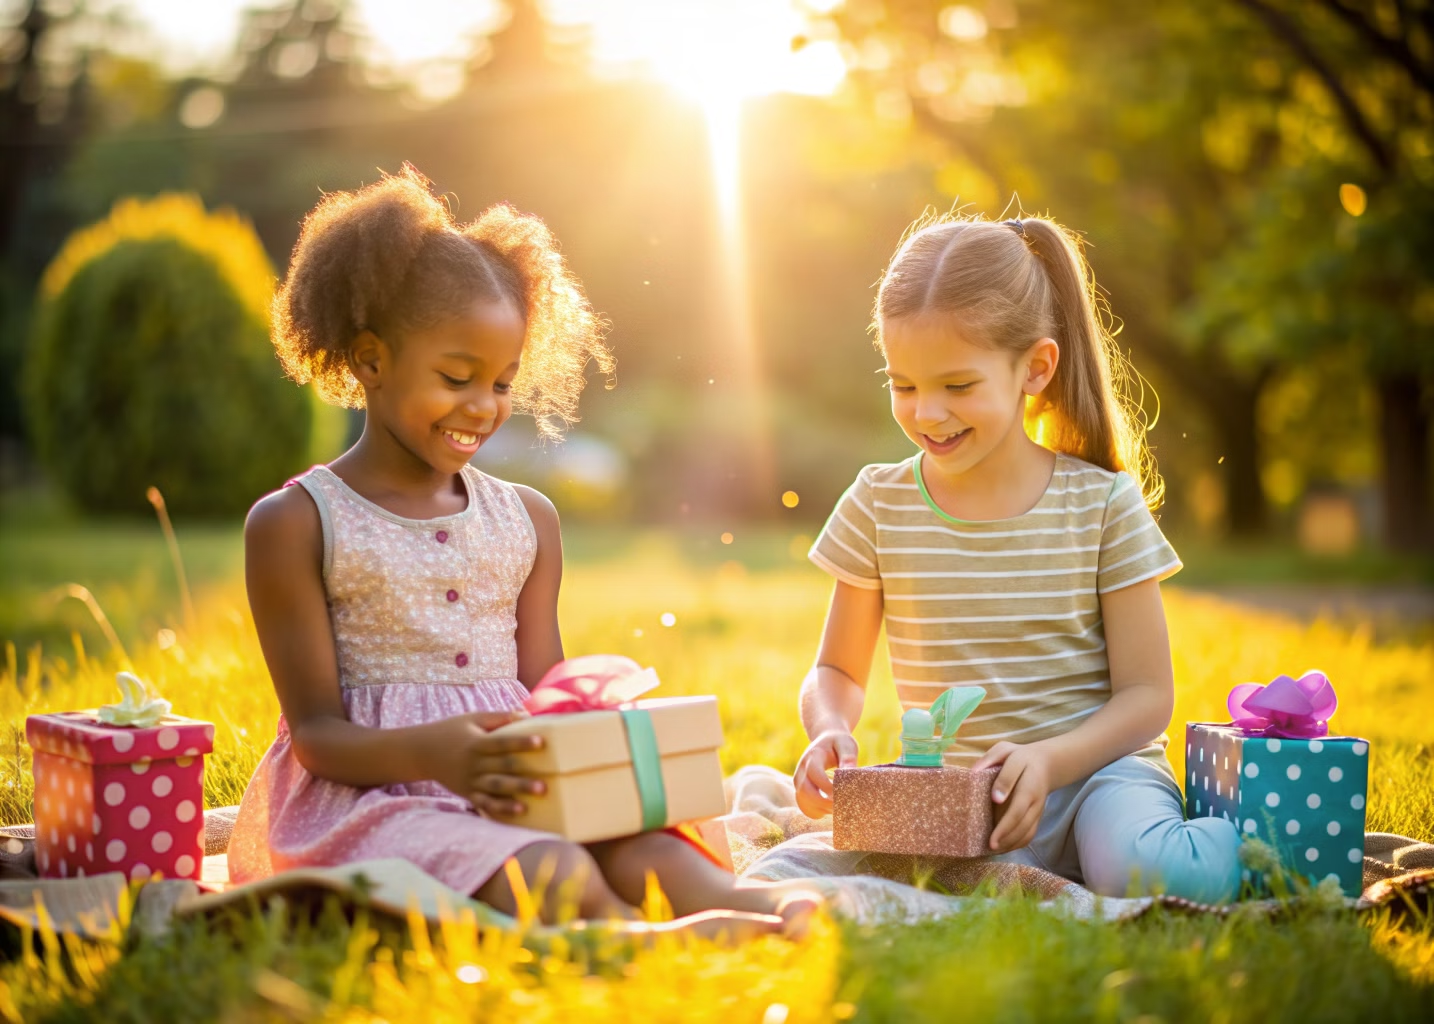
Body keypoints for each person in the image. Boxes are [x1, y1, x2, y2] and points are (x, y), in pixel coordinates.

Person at [228, 165, 813, 937]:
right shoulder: (297, 523)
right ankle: (634, 947)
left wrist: (606, 741)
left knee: (644, 849)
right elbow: (318, 738)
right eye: (456, 377)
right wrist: (438, 755)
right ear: (370, 360)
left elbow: (548, 695)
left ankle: (758, 907)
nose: (484, 406)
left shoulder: (527, 520)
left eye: (503, 382)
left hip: (517, 785)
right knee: (552, 868)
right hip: (372, 802)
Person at [791, 213, 1242, 904]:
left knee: (1144, 875)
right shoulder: (879, 502)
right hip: (964, 796)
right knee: (892, 873)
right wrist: (829, 729)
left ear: (1035, 368)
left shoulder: (1101, 504)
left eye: (957, 385)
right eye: (903, 384)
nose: (927, 413)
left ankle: (1242, 841)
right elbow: (836, 669)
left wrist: (1051, 760)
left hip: (1099, 776)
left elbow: (1148, 696)